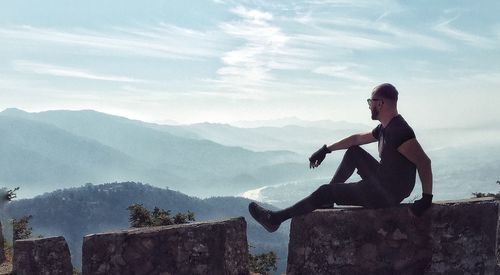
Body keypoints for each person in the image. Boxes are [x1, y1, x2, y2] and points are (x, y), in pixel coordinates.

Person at [249, 83, 433, 233]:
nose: (369, 105)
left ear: (380, 104)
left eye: (371, 101)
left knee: (324, 191)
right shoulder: (386, 127)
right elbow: (356, 139)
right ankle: (328, 198)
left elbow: (424, 162)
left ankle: (275, 219)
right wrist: (325, 149)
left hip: (386, 194)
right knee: (354, 152)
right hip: (384, 181)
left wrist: (426, 199)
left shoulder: (399, 131)